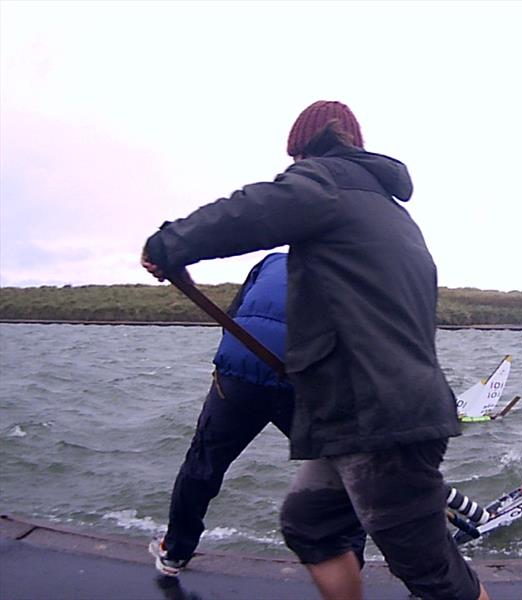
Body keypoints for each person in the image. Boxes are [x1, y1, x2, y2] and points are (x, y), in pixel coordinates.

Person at [142, 100, 489, 600]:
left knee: (435, 577)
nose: (291, 172)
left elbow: (255, 209)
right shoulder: (390, 214)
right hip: (371, 410)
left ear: (303, 150)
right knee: (310, 523)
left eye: (293, 160)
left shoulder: (326, 183)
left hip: (378, 421)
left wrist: (169, 244)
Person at [148, 253, 367, 576]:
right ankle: (351, 567)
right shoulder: (352, 269)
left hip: (239, 371)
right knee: (348, 472)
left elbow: (234, 317)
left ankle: (176, 552)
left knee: (203, 463)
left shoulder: (271, 261)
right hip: (302, 381)